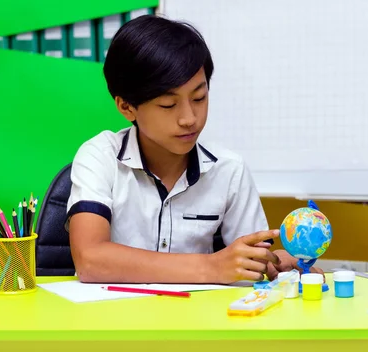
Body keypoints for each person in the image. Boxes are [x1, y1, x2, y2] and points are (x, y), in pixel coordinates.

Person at [65, 15, 322, 284]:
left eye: (199, 97)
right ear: (126, 106)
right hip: (111, 321)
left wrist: (271, 263)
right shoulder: (100, 157)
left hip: (198, 322)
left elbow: (250, 263)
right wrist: (211, 267)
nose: (189, 118)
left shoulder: (228, 170)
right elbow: (90, 259)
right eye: (168, 104)